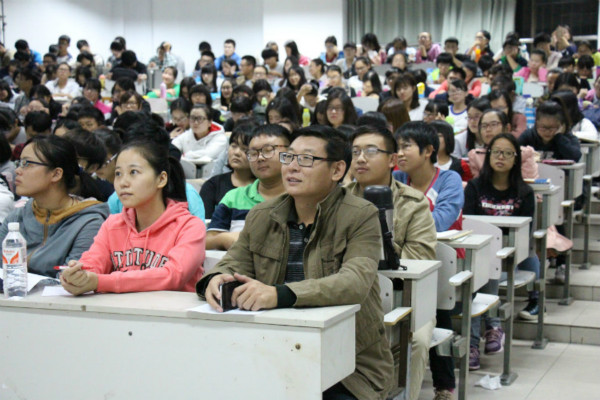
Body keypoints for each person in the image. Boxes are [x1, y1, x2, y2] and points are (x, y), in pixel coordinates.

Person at [197, 124, 394, 399]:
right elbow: (233, 262)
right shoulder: (263, 215)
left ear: (337, 170)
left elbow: (354, 282)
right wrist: (216, 279)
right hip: (271, 351)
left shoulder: (361, 215)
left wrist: (279, 295)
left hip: (348, 364)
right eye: (288, 157)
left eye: (306, 159)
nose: (292, 167)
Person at [346, 125, 436, 400]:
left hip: (403, 297)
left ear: (392, 160)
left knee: (417, 339)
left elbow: (419, 257)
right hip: (353, 297)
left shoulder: (414, 202)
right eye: (355, 152)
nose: (361, 158)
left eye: (371, 151)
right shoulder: (337, 199)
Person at [60, 136, 205, 295]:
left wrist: (100, 282)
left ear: (161, 179)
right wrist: (78, 276)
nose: (123, 182)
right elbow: (93, 263)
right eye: (118, 173)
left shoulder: (189, 226)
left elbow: (173, 276)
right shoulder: (112, 225)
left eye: (133, 172)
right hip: (121, 309)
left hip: (172, 310)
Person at [392, 122, 464, 400]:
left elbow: (441, 220)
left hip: (443, 263)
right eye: (397, 147)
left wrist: (404, 226)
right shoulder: (396, 178)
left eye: (406, 146)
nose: (399, 153)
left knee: (432, 307)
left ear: (428, 150)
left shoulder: (449, 179)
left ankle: (444, 386)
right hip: (406, 260)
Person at [464, 133, 541, 371]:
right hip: (478, 254)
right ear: (488, 156)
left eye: (508, 153)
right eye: (496, 152)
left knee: (486, 267)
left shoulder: (524, 193)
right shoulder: (475, 187)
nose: (501, 157)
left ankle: (474, 343)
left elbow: (524, 235)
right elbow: (468, 226)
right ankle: (492, 326)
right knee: (480, 270)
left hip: (509, 258)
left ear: (516, 159)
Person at [0, 135, 108, 277]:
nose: (17, 171)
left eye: (27, 163)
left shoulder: (89, 222)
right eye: (19, 163)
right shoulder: (16, 217)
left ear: (56, 174)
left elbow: (72, 279)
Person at [206, 124, 289, 250]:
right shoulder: (234, 197)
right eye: (253, 153)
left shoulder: (300, 197)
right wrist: (223, 239)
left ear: (289, 153)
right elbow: (207, 241)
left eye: (268, 150)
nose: (260, 158)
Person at [200, 122, 256, 219]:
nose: (236, 153)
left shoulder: (264, 186)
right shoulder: (213, 185)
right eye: (233, 146)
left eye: (245, 149)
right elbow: (205, 222)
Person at [468, 108, 538, 180]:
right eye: (484, 126)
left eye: (493, 124)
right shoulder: (476, 155)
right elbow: (477, 184)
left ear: (507, 128)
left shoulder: (524, 154)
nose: (488, 129)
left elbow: (528, 183)